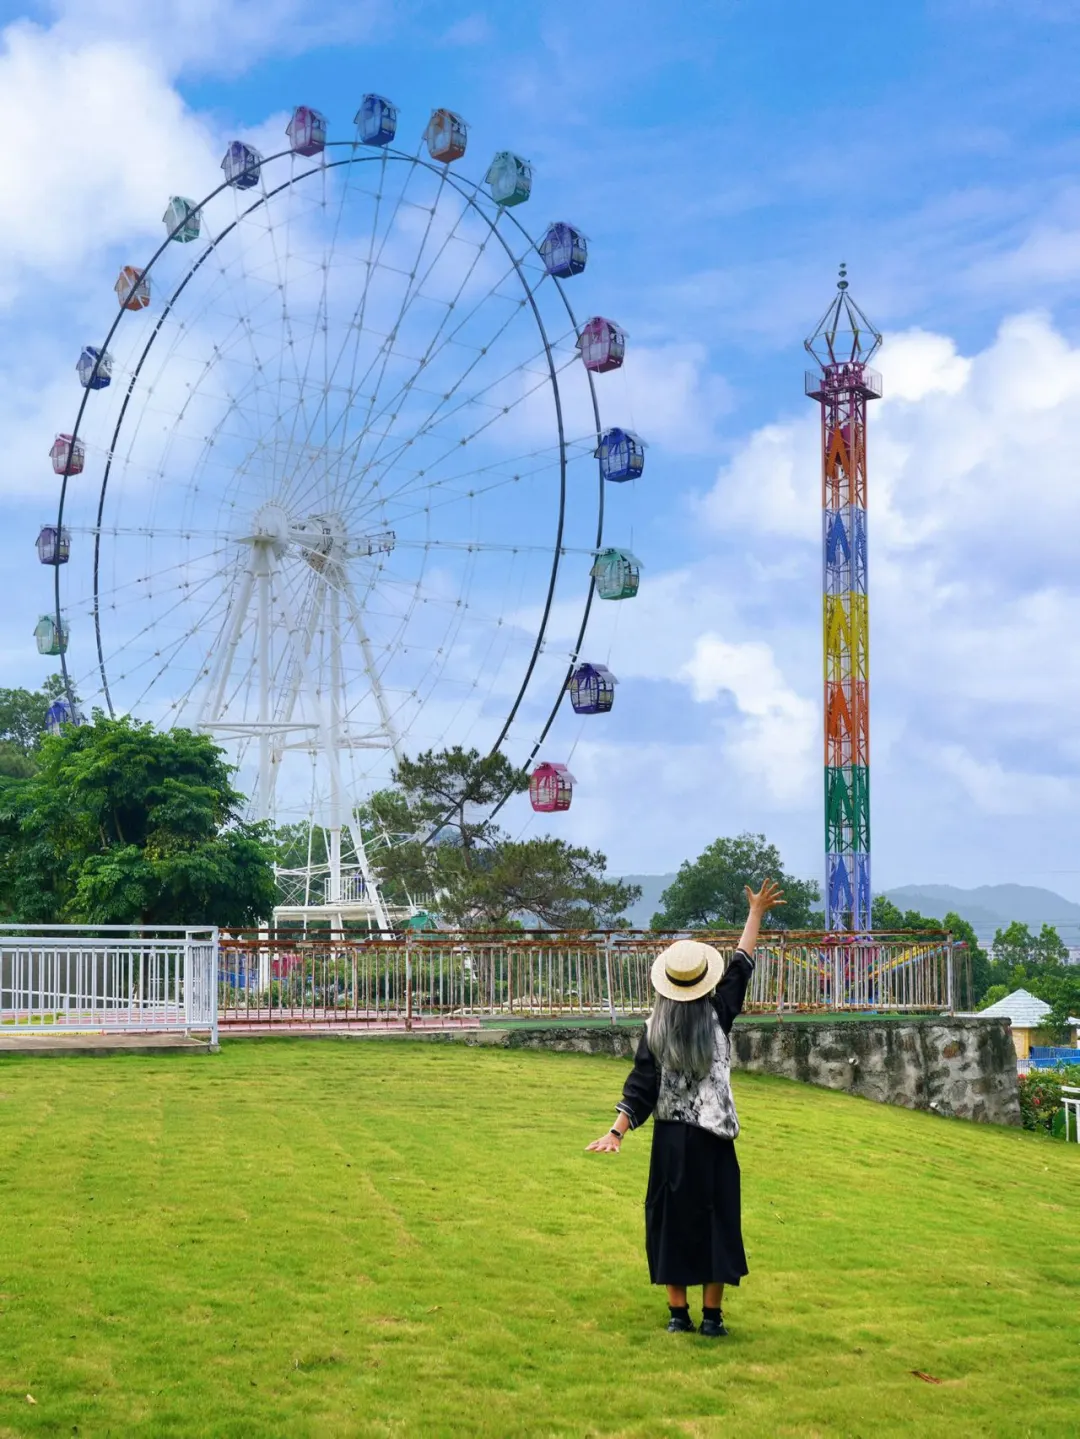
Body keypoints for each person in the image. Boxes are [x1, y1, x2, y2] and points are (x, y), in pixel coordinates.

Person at [587, 878, 784, 1337]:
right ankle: (712, 1319)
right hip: (714, 1140)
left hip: (671, 1143)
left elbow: (641, 1087)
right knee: (717, 1219)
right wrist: (755, 913)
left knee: (670, 1220)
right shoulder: (719, 1013)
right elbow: (742, 964)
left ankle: (679, 1316)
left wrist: (616, 1131)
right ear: (703, 980)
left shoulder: (654, 1028)